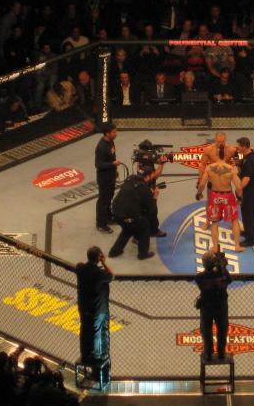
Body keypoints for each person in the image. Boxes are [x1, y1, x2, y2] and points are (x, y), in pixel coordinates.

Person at [196, 144, 244, 253]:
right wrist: (240, 197)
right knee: (234, 221)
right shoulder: (231, 169)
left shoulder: (209, 168)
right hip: (228, 196)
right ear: (225, 155)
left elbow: (202, 184)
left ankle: (214, 247)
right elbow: (238, 187)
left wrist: (198, 193)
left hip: (215, 197)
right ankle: (237, 246)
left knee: (214, 222)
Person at [75, 246, 114, 378]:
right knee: (97, 332)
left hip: (83, 306)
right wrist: (104, 263)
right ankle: (97, 356)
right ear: (99, 257)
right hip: (96, 309)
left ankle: (85, 354)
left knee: (84, 329)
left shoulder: (80, 268)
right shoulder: (99, 273)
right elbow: (111, 276)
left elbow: (79, 265)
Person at [109, 166, 156, 260]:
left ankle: (115, 251)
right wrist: (154, 197)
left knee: (128, 229)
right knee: (145, 226)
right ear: (148, 176)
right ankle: (143, 254)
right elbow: (151, 209)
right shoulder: (144, 189)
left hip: (115, 211)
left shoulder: (130, 178)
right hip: (128, 215)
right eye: (152, 175)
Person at [195, 250, 232, 361]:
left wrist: (220, 268)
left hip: (207, 306)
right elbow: (229, 280)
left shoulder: (199, 277)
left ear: (204, 264)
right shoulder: (221, 275)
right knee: (222, 329)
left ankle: (208, 353)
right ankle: (221, 352)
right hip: (221, 306)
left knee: (206, 330)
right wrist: (223, 267)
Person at [95, 122, 120, 234]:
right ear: (107, 133)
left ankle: (108, 218)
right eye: (114, 132)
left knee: (109, 198)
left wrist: (115, 169)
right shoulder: (101, 147)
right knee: (103, 200)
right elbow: (98, 164)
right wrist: (113, 164)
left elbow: (111, 157)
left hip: (111, 175)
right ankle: (101, 224)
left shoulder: (111, 141)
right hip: (104, 178)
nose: (116, 133)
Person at [236, 137, 254, 247]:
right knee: (245, 213)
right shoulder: (246, 157)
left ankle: (251, 239)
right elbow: (242, 172)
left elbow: (247, 178)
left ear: (244, 147)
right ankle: (248, 232)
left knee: (249, 214)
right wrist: (238, 164)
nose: (237, 148)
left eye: (239, 146)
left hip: (249, 191)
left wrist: (239, 190)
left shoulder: (250, 160)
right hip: (247, 191)